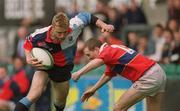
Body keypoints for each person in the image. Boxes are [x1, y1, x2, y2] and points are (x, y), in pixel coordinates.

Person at [14, 12, 114, 111]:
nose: (62, 36)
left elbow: (88, 16)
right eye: (59, 32)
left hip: (63, 69)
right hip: (44, 66)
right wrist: (28, 57)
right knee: (34, 94)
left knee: (60, 102)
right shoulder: (41, 34)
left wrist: (104, 25)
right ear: (52, 27)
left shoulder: (74, 25)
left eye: (65, 32)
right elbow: (28, 42)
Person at [72, 38, 166, 111]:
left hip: (148, 76)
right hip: (158, 71)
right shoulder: (112, 51)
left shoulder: (107, 51)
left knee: (118, 108)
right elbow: (108, 75)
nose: (89, 59)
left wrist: (78, 73)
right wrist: (93, 90)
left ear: (97, 49)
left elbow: (97, 62)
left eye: (89, 55)